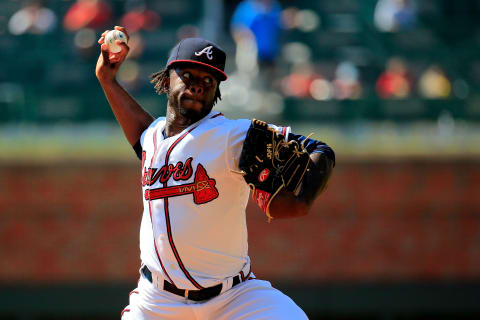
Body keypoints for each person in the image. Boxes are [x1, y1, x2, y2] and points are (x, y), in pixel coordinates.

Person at [96, 26, 335, 319]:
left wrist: (304, 197)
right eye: (189, 76)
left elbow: (321, 150)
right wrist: (107, 80)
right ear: (168, 76)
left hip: (234, 298)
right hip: (157, 302)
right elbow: (141, 132)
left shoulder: (232, 135)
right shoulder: (152, 137)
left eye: (209, 81)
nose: (198, 85)